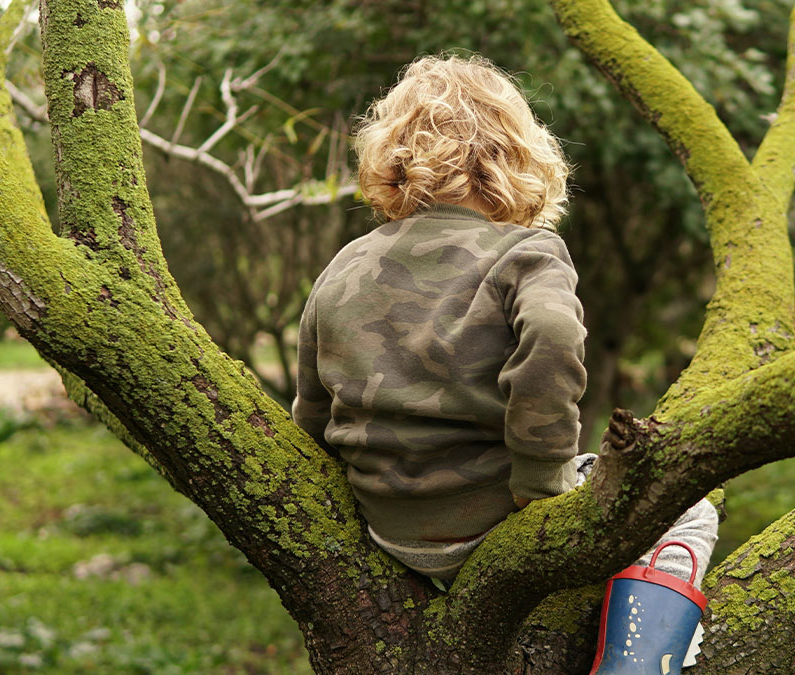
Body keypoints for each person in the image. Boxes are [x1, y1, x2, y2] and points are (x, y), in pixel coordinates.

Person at [292, 54, 717, 593]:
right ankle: (636, 660)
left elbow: (311, 407)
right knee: (689, 510)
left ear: (391, 159)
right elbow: (555, 337)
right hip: (495, 518)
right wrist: (542, 479)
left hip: (386, 528)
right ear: (516, 155)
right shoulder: (527, 253)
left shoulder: (346, 262)